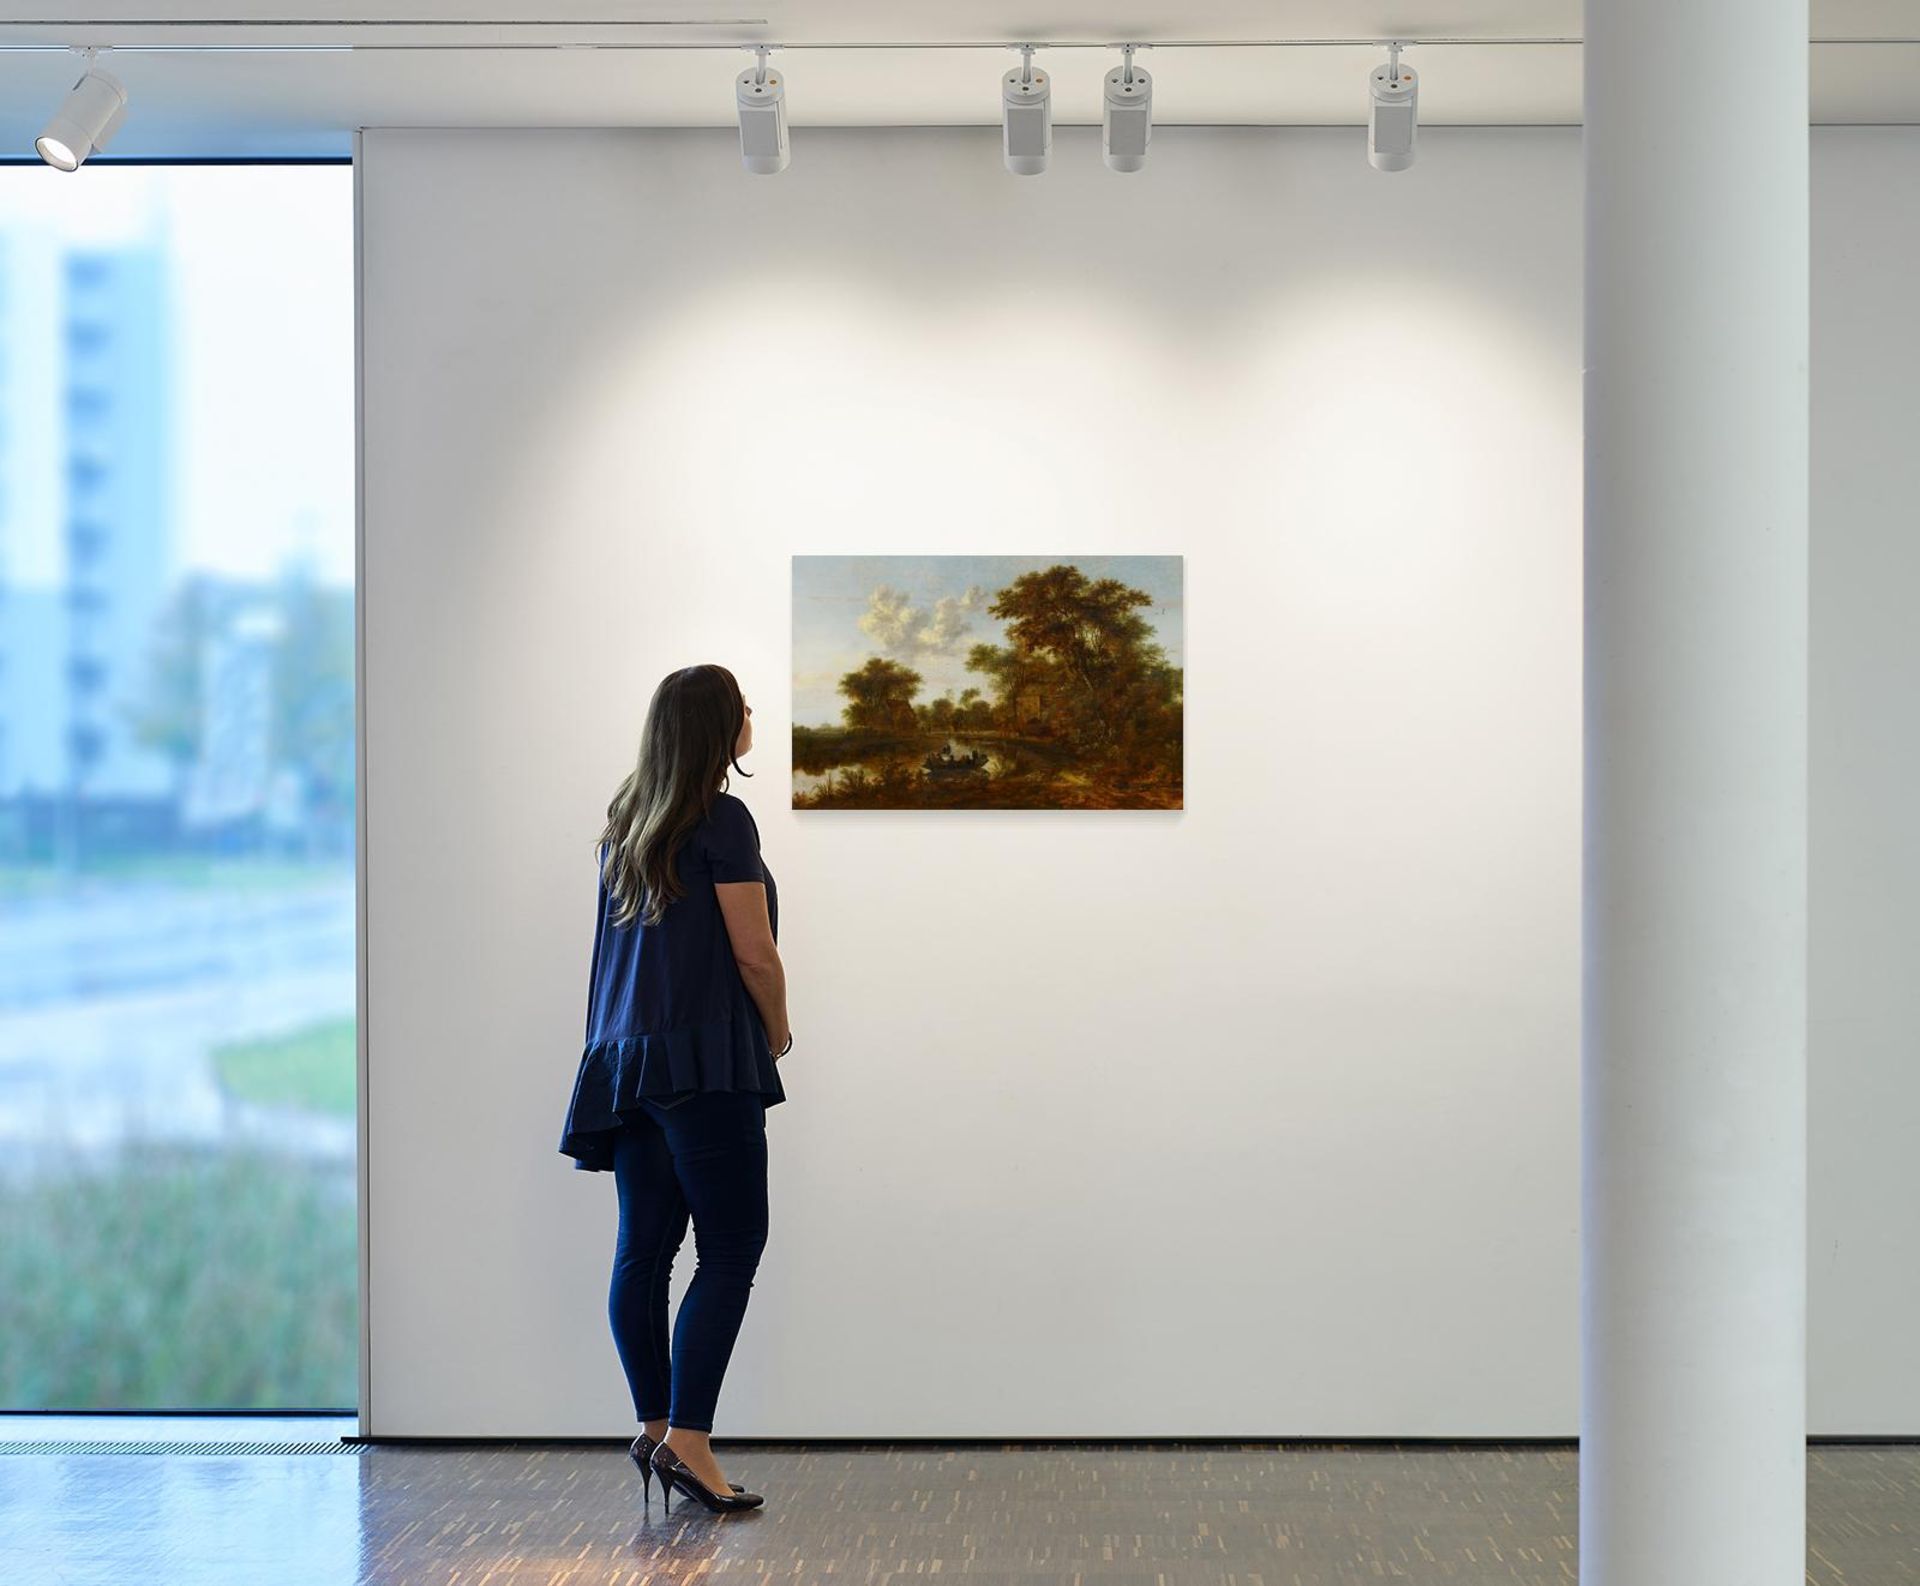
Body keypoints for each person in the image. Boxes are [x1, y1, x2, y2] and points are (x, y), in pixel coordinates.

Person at [558, 663, 791, 1515]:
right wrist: (778, 1027)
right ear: (716, 729)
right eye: (743, 708)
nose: (752, 716)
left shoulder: (630, 821)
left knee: (643, 1251)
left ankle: (656, 1427)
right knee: (732, 1246)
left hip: (627, 1060)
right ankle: (691, 1440)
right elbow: (753, 951)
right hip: (702, 1058)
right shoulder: (721, 819)